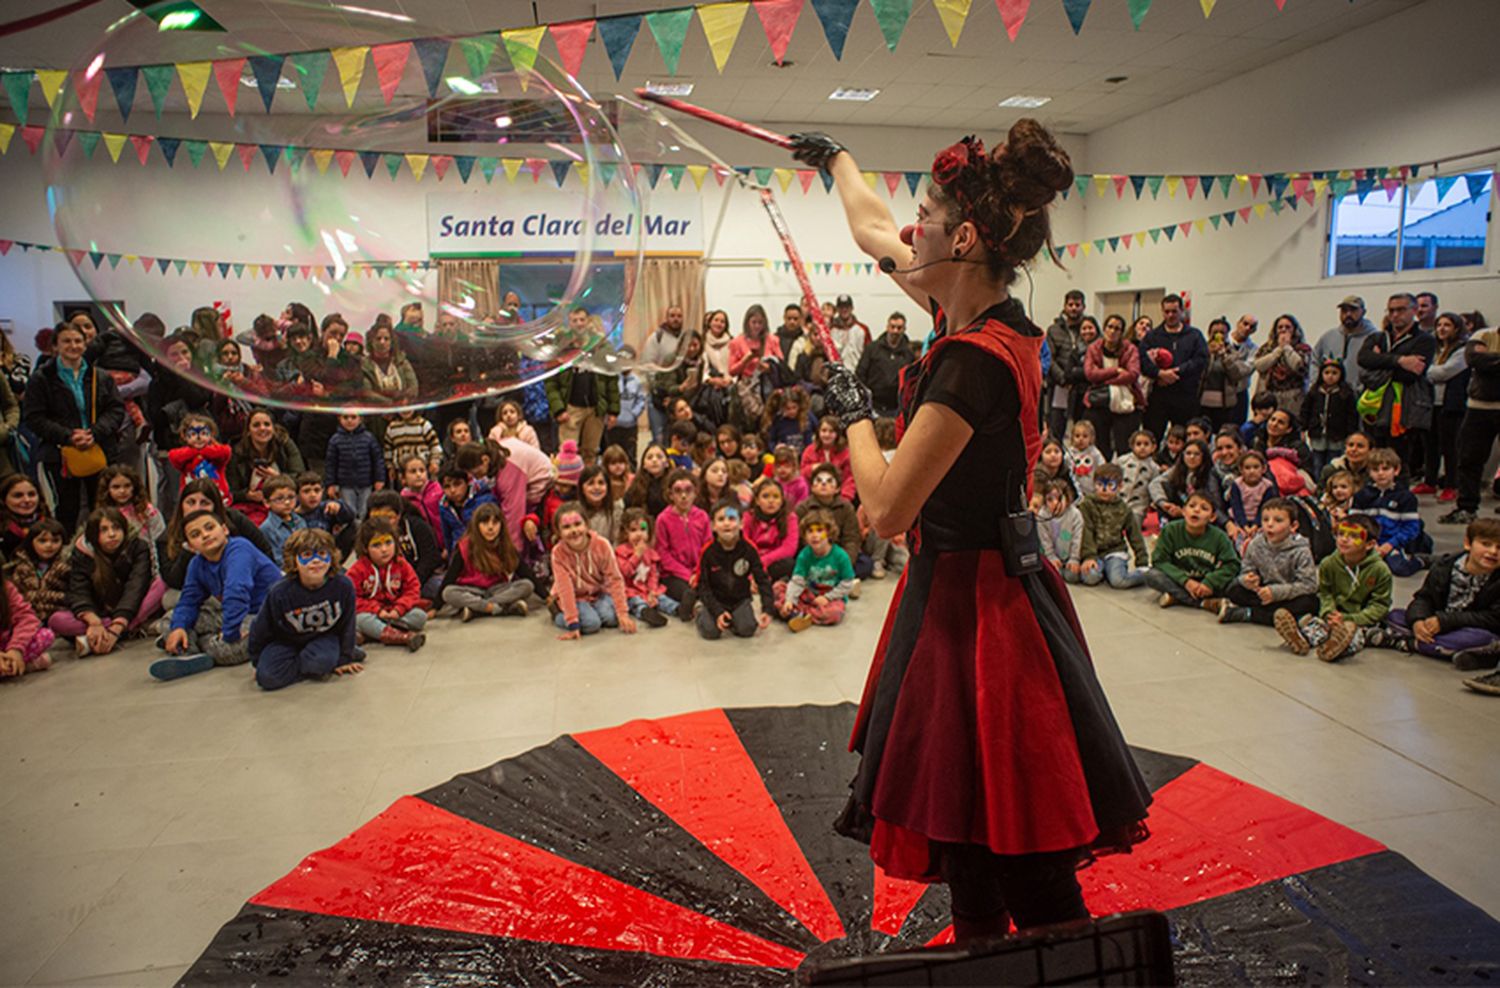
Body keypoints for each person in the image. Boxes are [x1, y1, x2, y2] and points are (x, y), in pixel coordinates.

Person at [791, 119, 1149, 938]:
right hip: (973, 599)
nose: (907, 226)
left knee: (1024, 865)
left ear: (960, 237)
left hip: (977, 617)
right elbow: (874, 227)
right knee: (972, 849)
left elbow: (885, 512)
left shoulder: (972, 362)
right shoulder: (984, 319)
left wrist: (853, 417)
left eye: (926, 212)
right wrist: (837, 159)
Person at [151, 509, 284, 681]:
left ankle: (191, 646)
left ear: (224, 530)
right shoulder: (197, 564)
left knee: (224, 650)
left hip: (266, 616)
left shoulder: (239, 549)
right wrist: (179, 627)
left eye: (210, 527)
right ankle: (187, 651)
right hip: (233, 614)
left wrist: (229, 632)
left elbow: (236, 591)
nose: (205, 535)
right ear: (190, 546)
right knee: (170, 620)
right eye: (196, 534)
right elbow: (189, 600)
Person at [22, 321, 125, 530]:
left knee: (103, 507)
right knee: (67, 509)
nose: (73, 345)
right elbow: (34, 417)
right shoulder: (41, 379)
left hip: (99, 449)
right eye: (66, 341)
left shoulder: (100, 376)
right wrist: (68, 436)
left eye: (78, 341)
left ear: (85, 344)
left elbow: (115, 409)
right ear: (55, 346)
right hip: (59, 454)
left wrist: (94, 433)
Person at [1369, 517, 1500, 669]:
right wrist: (1418, 621)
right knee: (1394, 615)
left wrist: (1445, 621)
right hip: (1436, 624)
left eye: (1499, 547)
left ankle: (1406, 642)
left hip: (1471, 628)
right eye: (1486, 544)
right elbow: (1424, 598)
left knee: (1483, 639)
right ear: (1468, 543)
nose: (1493, 552)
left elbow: (1492, 619)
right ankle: (1443, 648)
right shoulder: (1444, 567)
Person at [247, 528, 361, 691]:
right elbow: (261, 628)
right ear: (294, 560)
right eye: (307, 555)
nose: (316, 561)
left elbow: (348, 624)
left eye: (322, 554)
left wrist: (344, 659)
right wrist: (258, 661)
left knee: (320, 663)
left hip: (324, 636)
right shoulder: (279, 592)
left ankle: (334, 655)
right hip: (286, 641)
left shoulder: (343, 585)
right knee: (267, 678)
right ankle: (312, 662)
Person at [1275, 513, 1392, 663]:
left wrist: (1350, 619)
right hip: (1334, 615)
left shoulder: (1380, 570)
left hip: (1360, 620)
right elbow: (1325, 593)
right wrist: (1329, 613)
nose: (1343, 539)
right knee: (1317, 626)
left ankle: (1336, 648)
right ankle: (1301, 638)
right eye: (1340, 533)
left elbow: (1379, 605)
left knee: (1356, 635)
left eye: (1353, 536)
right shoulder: (1328, 564)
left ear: (1369, 544)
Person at [49, 507, 163, 657]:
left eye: (116, 528)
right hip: (101, 611)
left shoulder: (137, 546)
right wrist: (94, 622)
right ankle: (127, 630)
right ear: (93, 534)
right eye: (103, 530)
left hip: (133, 606)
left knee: (162, 584)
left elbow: (136, 586)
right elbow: (79, 590)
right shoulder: (82, 553)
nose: (112, 534)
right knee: (56, 621)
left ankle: (108, 635)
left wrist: (117, 626)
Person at [1358, 293, 1435, 463]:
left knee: (1398, 461)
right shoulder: (1377, 337)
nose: (1394, 315)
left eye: (1400, 310)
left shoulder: (1425, 340)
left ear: (1414, 310)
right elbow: (1363, 360)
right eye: (1391, 310)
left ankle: (1398, 490)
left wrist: (1379, 361)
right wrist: (1399, 360)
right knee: (1373, 459)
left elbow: (1409, 375)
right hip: (1374, 408)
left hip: (1404, 410)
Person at [1219, 497, 1317, 626]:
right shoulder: (1255, 544)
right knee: (1235, 590)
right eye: (1265, 520)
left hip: (1287, 596)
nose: (1270, 524)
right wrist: (1248, 580)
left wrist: (1276, 592)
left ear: (1293, 526)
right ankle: (1293, 620)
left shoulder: (1301, 550)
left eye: (1278, 520)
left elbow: (1308, 585)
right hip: (1262, 595)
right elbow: (1246, 570)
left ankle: (1249, 614)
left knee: (1311, 603)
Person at [1442, 315, 1500, 525]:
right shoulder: (1483, 334)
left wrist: (1490, 359)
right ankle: (1466, 507)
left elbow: (1485, 362)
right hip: (1479, 407)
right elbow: (1474, 359)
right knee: (1468, 458)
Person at [551, 502, 635, 638]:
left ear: (587, 525)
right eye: (566, 527)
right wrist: (572, 623)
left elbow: (615, 579)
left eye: (577, 524)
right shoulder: (558, 553)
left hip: (597, 593)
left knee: (612, 619)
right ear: (558, 532)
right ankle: (558, 614)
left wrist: (622, 613)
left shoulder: (602, 545)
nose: (573, 530)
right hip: (575, 596)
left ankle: (592, 611)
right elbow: (565, 588)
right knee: (592, 624)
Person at [547, 308, 620, 463]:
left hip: (596, 409)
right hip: (570, 408)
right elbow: (551, 382)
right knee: (567, 452)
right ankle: (568, 485)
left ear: (588, 321)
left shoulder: (601, 345)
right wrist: (559, 409)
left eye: (582, 320)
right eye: (575, 320)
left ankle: (588, 484)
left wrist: (613, 411)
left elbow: (611, 379)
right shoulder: (561, 347)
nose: (579, 323)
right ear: (569, 323)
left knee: (591, 452)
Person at [439, 502, 533, 621]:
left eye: (495, 523)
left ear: (501, 525)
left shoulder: (504, 544)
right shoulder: (465, 546)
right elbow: (450, 577)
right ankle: (504, 608)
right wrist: (435, 608)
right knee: (448, 592)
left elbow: (525, 571)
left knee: (527, 585)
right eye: (485, 523)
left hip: (497, 589)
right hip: (472, 590)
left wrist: (546, 597)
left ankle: (478, 609)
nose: (490, 527)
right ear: (476, 526)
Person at [694, 501, 773, 640]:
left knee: (747, 629)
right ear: (713, 526)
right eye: (721, 519)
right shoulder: (707, 552)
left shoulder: (749, 549)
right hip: (715, 600)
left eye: (731, 518)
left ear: (741, 523)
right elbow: (702, 585)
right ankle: (701, 611)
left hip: (739, 600)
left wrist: (767, 609)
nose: (726, 523)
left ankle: (733, 618)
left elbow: (763, 580)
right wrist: (717, 611)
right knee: (710, 633)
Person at [1146, 491, 1239, 609]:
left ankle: (1177, 597)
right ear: (1184, 511)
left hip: (1206, 582)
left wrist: (1210, 582)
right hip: (1180, 580)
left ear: (1212, 517)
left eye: (1204, 508)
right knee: (1151, 575)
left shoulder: (1219, 536)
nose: (1196, 510)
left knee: (1237, 583)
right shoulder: (1170, 530)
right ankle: (1204, 603)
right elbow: (1159, 561)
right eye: (1192, 506)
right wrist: (1186, 581)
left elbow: (1232, 565)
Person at [347, 518, 427, 652]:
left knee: (420, 617)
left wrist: (398, 609)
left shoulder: (401, 564)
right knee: (360, 620)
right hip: (371, 613)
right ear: (365, 548)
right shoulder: (357, 570)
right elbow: (352, 599)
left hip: (394, 612)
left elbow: (413, 589)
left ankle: (373, 633)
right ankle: (402, 637)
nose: (384, 549)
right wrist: (377, 610)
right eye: (376, 545)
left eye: (388, 543)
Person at [775, 508, 855, 632]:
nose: (815, 535)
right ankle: (798, 612)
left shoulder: (840, 556)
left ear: (829, 533)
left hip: (831, 597)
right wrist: (790, 600)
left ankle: (800, 614)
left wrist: (828, 597)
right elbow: (797, 581)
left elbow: (847, 583)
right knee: (778, 588)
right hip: (809, 594)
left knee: (835, 613)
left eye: (819, 530)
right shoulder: (804, 554)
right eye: (810, 531)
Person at [1138, 294, 1207, 438]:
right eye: (1167, 311)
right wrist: (1159, 373)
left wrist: (1178, 372)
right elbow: (1142, 361)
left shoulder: (1194, 335)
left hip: (1186, 396)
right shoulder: (1152, 337)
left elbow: (1201, 360)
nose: (1170, 315)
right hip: (1158, 398)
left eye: (1174, 311)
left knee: (1184, 439)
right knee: (1152, 438)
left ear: (1181, 311)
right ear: (1162, 312)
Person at [1418, 312, 1470, 500]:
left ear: (1456, 328)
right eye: (1439, 325)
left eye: (1447, 325)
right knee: (1430, 445)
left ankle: (1451, 485)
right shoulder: (1434, 349)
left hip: (1452, 405)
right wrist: (1429, 371)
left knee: (1450, 446)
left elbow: (1445, 372)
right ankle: (1429, 482)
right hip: (1430, 403)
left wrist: (1426, 371)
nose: (1441, 329)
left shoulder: (1464, 350)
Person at [227, 409, 306, 526]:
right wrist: (247, 495)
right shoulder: (237, 452)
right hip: (251, 506)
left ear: (273, 428)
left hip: (284, 499)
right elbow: (231, 491)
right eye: (256, 425)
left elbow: (301, 476)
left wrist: (278, 478)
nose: (262, 428)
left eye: (267, 424)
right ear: (248, 431)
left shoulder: (285, 444)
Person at [1082, 313, 1144, 459]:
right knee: (1100, 445)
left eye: (1117, 328)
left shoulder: (1131, 349)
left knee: (1125, 447)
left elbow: (1133, 374)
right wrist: (1115, 371)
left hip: (1126, 402)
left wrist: (1103, 379)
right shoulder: (1094, 348)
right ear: (1104, 329)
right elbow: (1090, 374)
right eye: (1110, 327)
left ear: (1122, 332)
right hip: (1100, 402)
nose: (1112, 331)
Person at [1078, 463, 1148, 589]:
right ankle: (1104, 571)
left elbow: (1135, 535)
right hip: (1095, 553)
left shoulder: (1124, 509)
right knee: (1090, 577)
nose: (1104, 490)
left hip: (1115, 552)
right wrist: (1088, 556)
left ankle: (1148, 575)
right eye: (1100, 485)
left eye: (1110, 485)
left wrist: (1142, 561)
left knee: (1118, 581)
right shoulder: (1087, 505)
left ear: (1120, 486)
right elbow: (1086, 532)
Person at [654, 468, 711, 620]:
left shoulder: (702, 516)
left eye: (688, 490)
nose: (684, 496)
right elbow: (663, 555)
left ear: (695, 492)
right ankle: (694, 606)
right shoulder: (663, 519)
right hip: (674, 575)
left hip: (699, 571)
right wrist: (687, 575)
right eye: (678, 491)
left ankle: (699, 604)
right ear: (671, 495)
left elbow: (708, 548)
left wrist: (698, 573)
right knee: (687, 591)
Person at [795, 463, 866, 582]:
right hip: (811, 554)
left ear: (837, 488)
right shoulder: (803, 508)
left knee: (865, 564)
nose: (823, 484)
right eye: (819, 480)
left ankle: (833, 576)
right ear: (812, 487)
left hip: (839, 554)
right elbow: (799, 539)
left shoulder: (846, 507)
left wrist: (843, 561)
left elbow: (851, 539)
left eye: (829, 481)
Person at [614, 507, 677, 628]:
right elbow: (625, 572)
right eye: (633, 530)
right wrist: (636, 555)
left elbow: (653, 574)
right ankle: (645, 613)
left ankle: (677, 609)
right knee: (636, 602)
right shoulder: (621, 552)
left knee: (662, 598)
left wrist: (652, 591)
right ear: (624, 533)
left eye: (643, 529)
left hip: (647, 590)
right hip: (630, 590)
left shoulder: (650, 552)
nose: (639, 534)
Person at [1301, 358, 1358, 481]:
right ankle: (1318, 486)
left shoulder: (1346, 394)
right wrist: (1303, 428)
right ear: (1321, 374)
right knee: (1317, 463)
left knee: (1333, 463)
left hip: (1337, 435)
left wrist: (1351, 434)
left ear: (1340, 374)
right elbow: (1305, 411)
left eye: (1334, 373)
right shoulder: (1314, 392)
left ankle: (1331, 485)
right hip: (1317, 433)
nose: (1330, 376)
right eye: (1327, 373)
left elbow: (1352, 415)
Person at [641, 304, 688, 446]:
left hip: (678, 396)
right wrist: (659, 391)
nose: (676, 319)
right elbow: (648, 365)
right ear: (666, 318)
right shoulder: (657, 337)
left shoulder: (687, 338)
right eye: (672, 316)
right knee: (659, 437)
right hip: (658, 397)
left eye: (679, 316)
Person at [8, 518, 71, 624]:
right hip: (28, 617)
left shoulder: (67, 566)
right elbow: (16, 595)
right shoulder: (23, 567)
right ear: (31, 542)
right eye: (42, 540)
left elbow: (73, 595)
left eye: (55, 541)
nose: (49, 545)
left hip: (57, 616)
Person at [856, 312, 919, 418]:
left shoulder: (909, 354)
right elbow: (861, 373)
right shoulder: (872, 349)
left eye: (899, 328)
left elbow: (911, 380)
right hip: (873, 405)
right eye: (892, 327)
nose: (895, 331)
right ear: (887, 327)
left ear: (904, 329)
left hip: (896, 407)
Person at [1313, 296, 1380, 393]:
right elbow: (1314, 361)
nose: (1348, 314)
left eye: (1353, 310)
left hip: (1361, 398)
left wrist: (1362, 388)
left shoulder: (1374, 338)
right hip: (1331, 398)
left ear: (1363, 312)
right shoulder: (1328, 337)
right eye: (1344, 310)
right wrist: (1318, 386)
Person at [1044, 290, 1087, 441]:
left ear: (1084, 307)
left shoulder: (1089, 328)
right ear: (1064, 306)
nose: (1074, 308)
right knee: (1056, 426)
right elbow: (1049, 358)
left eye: (1077, 305)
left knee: (1082, 428)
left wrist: (1077, 377)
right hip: (1059, 385)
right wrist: (1063, 379)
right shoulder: (1053, 330)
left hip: (1082, 385)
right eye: (1070, 305)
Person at [325, 412, 385, 520]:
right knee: (349, 512)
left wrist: (379, 479)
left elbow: (377, 460)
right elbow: (330, 464)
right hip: (345, 484)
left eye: (353, 417)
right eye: (346, 417)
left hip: (366, 483)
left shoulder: (369, 438)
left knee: (364, 511)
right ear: (339, 418)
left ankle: (361, 532)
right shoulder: (335, 440)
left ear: (360, 419)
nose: (349, 420)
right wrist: (331, 484)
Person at [0, 565, 54, 678]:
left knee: (45, 635)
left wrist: (15, 649)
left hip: (8, 645)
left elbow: (26, 617)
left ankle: (11, 664)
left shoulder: (6, 588)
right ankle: (21, 666)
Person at [743, 477, 801, 582]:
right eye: (765, 496)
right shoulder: (748, 516)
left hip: (774, 562)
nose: (771, 501)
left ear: (782, 500)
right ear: (757, 500)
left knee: (789, 564)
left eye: (776, 497)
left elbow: (789, 548)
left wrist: (764, 561)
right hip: (751, 560)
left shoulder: (790, 518)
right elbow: (744, 543)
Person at [1252, 315, 1311, 415]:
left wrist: (1287, 347)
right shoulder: (1267, 347)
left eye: (1287, 327)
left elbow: (1299, 366)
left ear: (1294, 329)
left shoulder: (1303, 348)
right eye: (1280, 327)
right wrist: (1278, 350)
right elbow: (1259, 366)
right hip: (1270, 394)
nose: (1283, 330)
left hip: (1294, 396)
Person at [800, 416, 856, 501]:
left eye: (831, 431)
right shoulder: (809, 451)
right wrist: (812, 468)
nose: (827, 435)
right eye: (824, 431)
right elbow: (802, 475)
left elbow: (849, 479)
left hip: (838, 497)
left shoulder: (845, 453)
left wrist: (845, 499)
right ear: (818, 432)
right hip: (813, 497)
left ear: (837, 434)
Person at [1038, 479, 1083, 581]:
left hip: (1069, 557)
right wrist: (1051, 557)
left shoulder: (1075, 514)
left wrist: (1074, 558)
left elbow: (1077, 538)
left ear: (1067, 498)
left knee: (1072, 576)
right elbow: (1044, 540)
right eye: (1050, 499)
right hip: (1050, 557)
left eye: (1059, 499)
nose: (1055, 503)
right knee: (1053, 576)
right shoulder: (1042, 515)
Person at [1113, 429, 1159, 526]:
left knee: (1134, 527)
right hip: (1119, 500)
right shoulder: (1122, 460)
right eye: (1138, 444)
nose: (1142, 447)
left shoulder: (1154, 467)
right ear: (1132, 446)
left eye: (1146, 444)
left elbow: (1155, 486)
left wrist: (1154, 501)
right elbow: (1112, 475)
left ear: (1153, 447)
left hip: (1139, 505)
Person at [257, 475, 307, 564]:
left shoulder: (300, 521)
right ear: (267, 502)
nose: (287, 502)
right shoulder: (267, 528)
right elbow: (277, 560)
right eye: (280, 499)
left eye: (291, 497)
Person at [382, 408, 442, 483]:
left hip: (422, 469)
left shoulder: (423, 424)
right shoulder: (392, 427)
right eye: (402, 408)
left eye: (409, 407)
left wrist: (434, 461)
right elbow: (388, 449)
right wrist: (390, 467)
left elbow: (434, 445)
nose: (405, 410)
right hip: (401, 472)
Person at [1063, 419, 1106, 498]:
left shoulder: (1095, 453)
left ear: (1091, 438)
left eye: (1085, 436)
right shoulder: (1069, 454)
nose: (1081, 439)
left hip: (1092, 489)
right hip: (1074, 490)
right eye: (1077, 436)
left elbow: (1103, 467)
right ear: (1072, 438)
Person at [829, 294, 871, 371]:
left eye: (847, 307)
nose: (844, 310)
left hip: (857, 374)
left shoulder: (862, 330)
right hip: (837, 373)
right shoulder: (831, 330)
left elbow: (869, 354)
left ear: (852, 308)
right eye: (841, 307)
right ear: (837, 309)